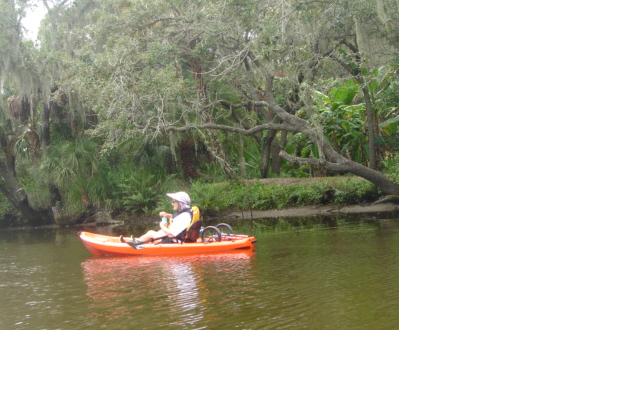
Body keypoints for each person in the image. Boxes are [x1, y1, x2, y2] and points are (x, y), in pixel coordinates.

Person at [122, 192, 193, 249]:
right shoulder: (183, 213)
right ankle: (136, 242)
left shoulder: (185, 216)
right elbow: (175, 220)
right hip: (173, 238)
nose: (172, 203)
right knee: (152, 233)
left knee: (150, 233)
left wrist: (161, 225)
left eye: (174, 201)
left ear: (180, 203)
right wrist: (166, 215)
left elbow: (171, 234)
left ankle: (134, 244)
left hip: (174, 241)